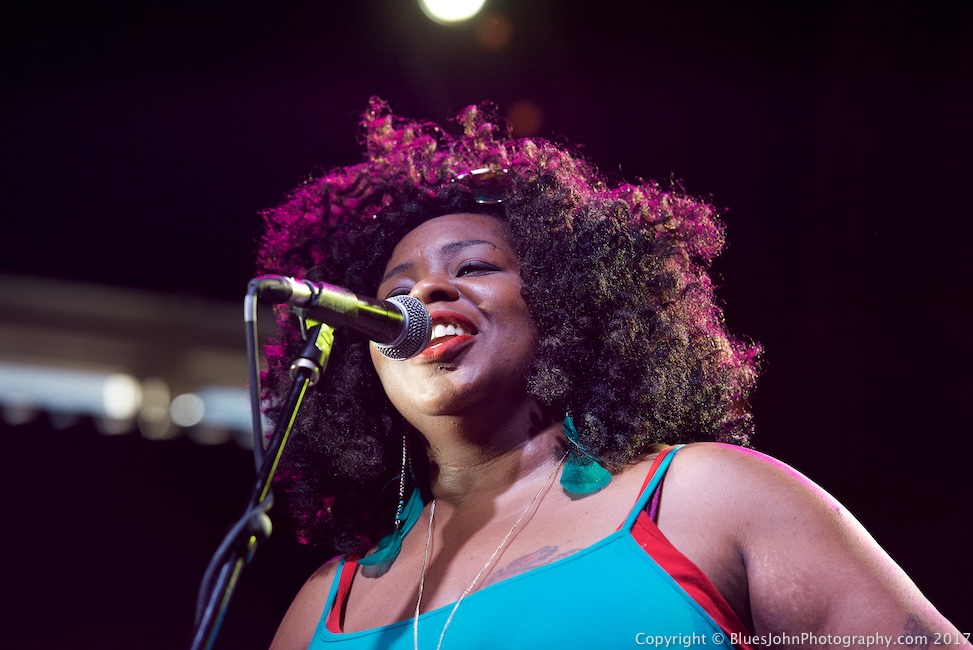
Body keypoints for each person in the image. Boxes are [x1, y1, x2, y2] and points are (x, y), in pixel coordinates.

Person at [260, 98, 966, 649]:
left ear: (567, 301)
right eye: (396, 292)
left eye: (473, 266)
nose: (428, 296)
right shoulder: (324, 606)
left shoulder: (708, 498)